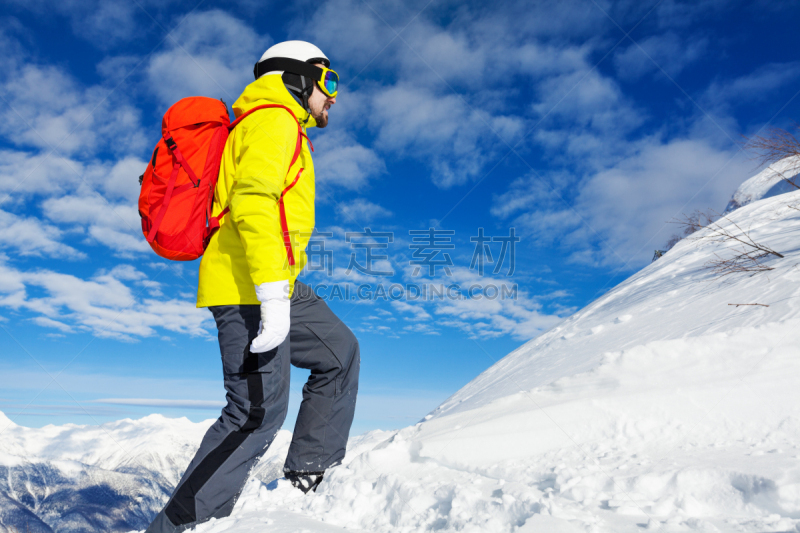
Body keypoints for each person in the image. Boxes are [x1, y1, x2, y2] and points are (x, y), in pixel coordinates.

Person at [146, 41, 360, 533]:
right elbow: (253, 202)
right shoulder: (274, 119)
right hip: (247, 287)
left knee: (340, 351)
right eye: (328, 81)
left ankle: (307, 474)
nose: (333, 96)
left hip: (275, 282)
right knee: (254, 412)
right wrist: (269, 294)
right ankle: (177, 527)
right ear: (298, 78)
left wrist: (278, 289)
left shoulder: (279, 124)